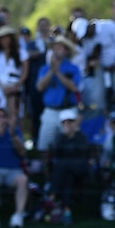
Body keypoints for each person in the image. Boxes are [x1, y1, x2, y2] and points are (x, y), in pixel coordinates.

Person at [35, 35, 82, 178]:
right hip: (50, 110)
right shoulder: (44, 68)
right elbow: (40, 87)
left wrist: (58, 72)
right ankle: (48, 178)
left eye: (60, 48)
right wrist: (51, 71)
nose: (57, 50)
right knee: (45, 146)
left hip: (68, 111)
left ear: (67, 51)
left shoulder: (73, 68)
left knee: (69, 145)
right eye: (55, 48)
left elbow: (74, 87)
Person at [48, 108, 93, 225]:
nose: (68, 124)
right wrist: (65, 137)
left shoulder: (80, 137)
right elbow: (56, 152)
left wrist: (74, 134)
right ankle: (67, 211)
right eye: (65, 122)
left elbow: (83, 153)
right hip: (67, 173)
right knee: (67, 177)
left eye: (70, 121)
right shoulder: (60, 138)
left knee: (63, 165)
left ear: (74, 122)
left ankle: (52, 196)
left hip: (80, 169)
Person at [0, 26, 28, 125]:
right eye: (2, 38)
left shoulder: (21, 52)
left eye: (7, 37)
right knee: (0, 113)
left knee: (15, 114)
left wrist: (17, 85)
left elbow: (25, 71)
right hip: (0, 88)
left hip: (15, 86)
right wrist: (2, 86)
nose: (5, 40)